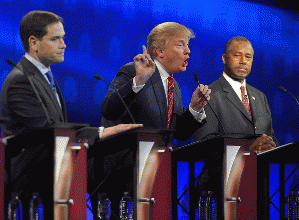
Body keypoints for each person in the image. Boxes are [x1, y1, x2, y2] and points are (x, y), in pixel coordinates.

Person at [0, 10, 142, 219]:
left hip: (53, 179)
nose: (64, 44)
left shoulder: (43, 75)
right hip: (30, 190)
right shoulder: (21, 80)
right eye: (55, 39)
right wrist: (103, 132)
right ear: (34, 42)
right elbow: (48, 132)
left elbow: (57, 129)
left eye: (63, 38)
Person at [100, 22, 211, 216]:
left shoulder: (173, 86)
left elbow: (179, 134)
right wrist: (138, 81)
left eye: (188, 46)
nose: (188, 52)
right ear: (159, 52)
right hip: (125, 179)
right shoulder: (133, 71)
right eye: (181, 45)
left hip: (157, 176)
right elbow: (109, 109)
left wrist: (194, 109)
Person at [193, 36, 277, 217]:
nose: (243, 61)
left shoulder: (259, 96)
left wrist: (270, 146)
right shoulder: (210, 94)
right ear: (224, 58)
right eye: (237, 55)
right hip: (221, 189)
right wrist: (247, 150)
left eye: (248, 57)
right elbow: (204, 144)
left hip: (257, 188)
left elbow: (269, 136)